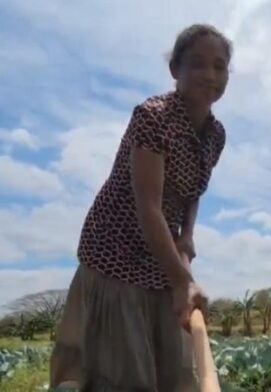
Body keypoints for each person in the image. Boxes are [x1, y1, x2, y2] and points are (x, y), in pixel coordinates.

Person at [49, 23, 230, 391]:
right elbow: (148, 206)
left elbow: (194, 190)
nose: (209, 75)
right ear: (175, 70)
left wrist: (188, 235)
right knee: (124, 376)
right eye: (197, 63)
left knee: (172, 371)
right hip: (117, 254)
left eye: (219, 66)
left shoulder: (215, 134)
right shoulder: (153, 116)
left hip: (162, 258)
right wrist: (182, 281)